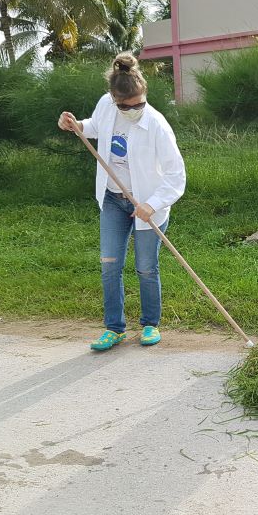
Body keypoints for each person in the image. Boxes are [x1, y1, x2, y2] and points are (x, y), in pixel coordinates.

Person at [58, 52, 186, 351]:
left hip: (147, 205)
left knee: (145, 267)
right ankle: (114, 328)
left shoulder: (157, 124)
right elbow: (94, 127)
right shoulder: (107, 105)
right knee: (109, 265)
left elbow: (176, 176)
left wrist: (151, 204)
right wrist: (75, 124)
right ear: (115, 100)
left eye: (140, 103)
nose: (135, 109)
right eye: (128, 106)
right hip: (113, 200)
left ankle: (150, 324)